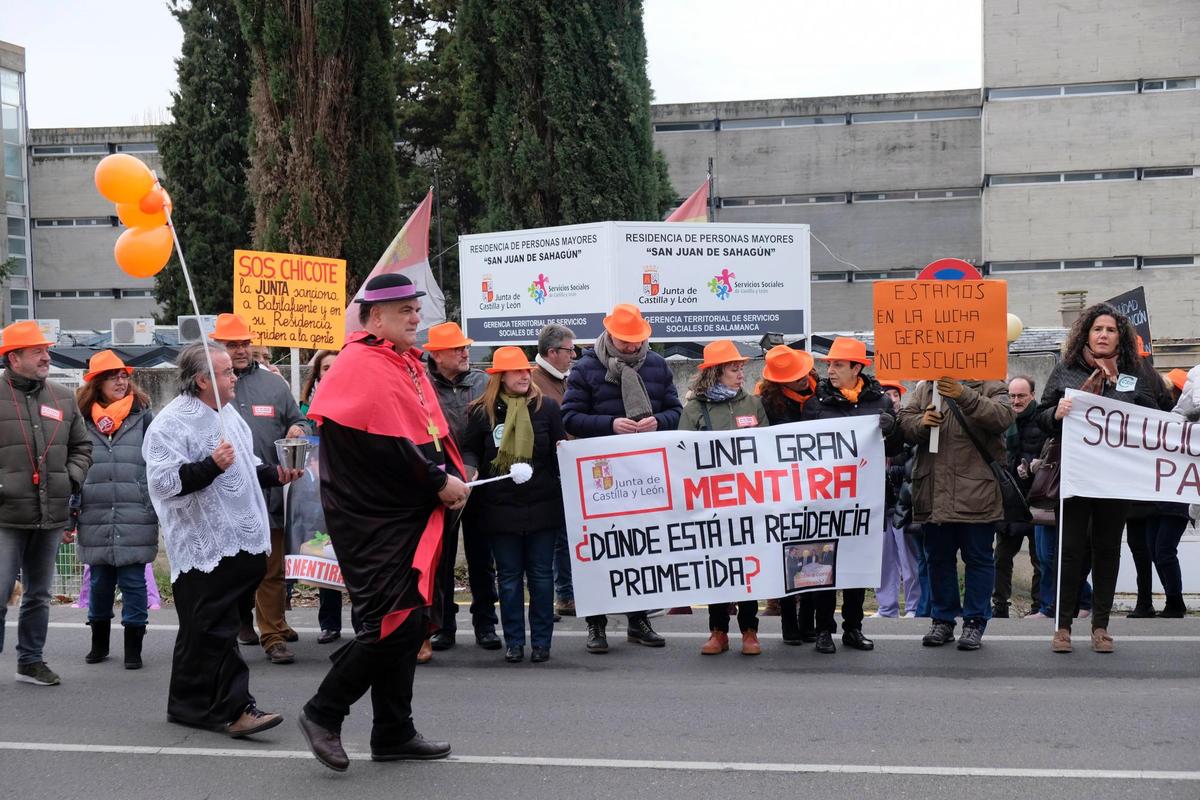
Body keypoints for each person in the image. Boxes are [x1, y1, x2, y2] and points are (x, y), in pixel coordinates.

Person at [298, 273, 465, 772]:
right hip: (372, 520)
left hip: (401, 512)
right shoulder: (360, 363)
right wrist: (438, 481)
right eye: (405, 311)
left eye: (416, 309)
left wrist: (449, 473)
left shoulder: (397, 361)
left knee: (406, 619)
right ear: (374, 317)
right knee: (394, 622)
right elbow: (386, 444)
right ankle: (323, 711)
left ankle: (393, 731)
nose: (417, 318)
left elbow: (422, 434)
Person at [144, 342, 302, 737]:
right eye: (227, 372)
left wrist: (275, 474)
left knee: (201, 630)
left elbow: (246, 466)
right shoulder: (171, 422)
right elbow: (164, 483)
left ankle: (187, 705)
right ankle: (236, 709)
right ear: (202, 380)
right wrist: (210, 467)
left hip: (241, 539)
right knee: (215, 631)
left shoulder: (225, 412)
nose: (235, 377)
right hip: (205, 546)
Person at [1037, 302, 1158, 654]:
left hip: (1113, 478)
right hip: (1075, 474)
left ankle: (1101, 626)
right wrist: (1055, 413)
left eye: (1110, 330)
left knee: (1107, 550)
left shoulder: (1136, 373)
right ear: (1086, 335)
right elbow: (1039, 417)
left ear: (1120, 336)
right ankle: (1062, 627)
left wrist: (1126, 395)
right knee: (1070, 551)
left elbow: (1154, 415)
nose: (1104, 335)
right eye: (1097, 329)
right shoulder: (1065, 371)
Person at [562, 303, 682, 653]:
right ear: (610, 335)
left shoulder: (657, 366)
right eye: (625, 341)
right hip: (601, 475)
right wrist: (610, 425)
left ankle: (637, 619)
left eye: (636, 341)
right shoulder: (586, 367)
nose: (631, 348)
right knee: (599, 549)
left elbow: (676, 412)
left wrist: (659, 420)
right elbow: (569, 417)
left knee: (640, 547)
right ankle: (596, 624)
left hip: (645, 471)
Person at [210, 313, 309, 665]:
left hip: (270, 491)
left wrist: (298, 428)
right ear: (216, 347)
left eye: (243, 343)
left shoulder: (273, 385)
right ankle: (237, 624)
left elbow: (298, 417)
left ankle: (273, 634)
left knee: (272, 569)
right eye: (231, 344)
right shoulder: (208, 386)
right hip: (225, 495)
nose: (239, 350)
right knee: (232, 569)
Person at [461, 346, 567, 663]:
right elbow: (469, 450)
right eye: (516, 371)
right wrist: (469, 468)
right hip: (499, 509)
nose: (524, 375)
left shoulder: (547, 408)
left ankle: (542, 644)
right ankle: (515, 642)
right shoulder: (481, 412)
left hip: (542, 506)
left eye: (526, 370)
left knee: (540, 577)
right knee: (508, 579)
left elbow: (558, 453)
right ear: (500, 376)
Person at [0, 321, 92, 686]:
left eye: (46, 349)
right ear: (13, 357)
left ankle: (31, 661)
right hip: (5, 515)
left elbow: (83, 447)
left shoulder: (63, 396)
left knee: (39, 594)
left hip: (50, 513)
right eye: (37, 351)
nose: (46, 356)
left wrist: (70, 478)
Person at [899, 373, 1014, 652]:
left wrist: (964, 395)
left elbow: (1003, 417)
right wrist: (920, 423)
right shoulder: (925, 387)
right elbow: (904, 422)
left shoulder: (991, 383)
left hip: (976, 492)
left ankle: (974, 621)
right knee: (937, 559)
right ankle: (943, 620)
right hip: (934, 491)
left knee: (978, 558)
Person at [800, 337, 899, 654]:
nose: (830, 370)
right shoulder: (815, 404)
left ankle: (853, 628)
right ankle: (823, 630)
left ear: (858, 368)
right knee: (823, 567)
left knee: (858, 566)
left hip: (865, 500)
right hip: (826, 500)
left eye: (838, 364)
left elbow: (895, 449)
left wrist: (892, 428)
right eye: (829, 364)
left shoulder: (880, 402)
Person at [678, 340, 769, 655]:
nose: (740, 372)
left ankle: (749, 631)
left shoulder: (753, 404)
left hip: (747, 499)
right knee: (717, 567)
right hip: (711, 503)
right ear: (716, 372)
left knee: (746, 567)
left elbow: (768, 448)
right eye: (734, 367)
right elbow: (683, 455)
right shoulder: (693, 409)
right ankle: (718, 631)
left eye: (742, 367)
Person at [75, 351, 158, 669]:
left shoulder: (144, 417)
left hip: (135, 510)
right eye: (113, 376)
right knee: (99, 583)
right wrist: (72, 509)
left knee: (135, 582)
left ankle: (133, 650)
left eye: (124, 375)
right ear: (97, 383)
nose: (121, 381)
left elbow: (158, 460)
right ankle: (99, 645)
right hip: (93, 511)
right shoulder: (81, 420)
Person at [424, 320, 498, 658]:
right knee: (442, 558)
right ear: (437, 355)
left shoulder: (483, 381)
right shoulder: (421, 384)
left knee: (483, 557)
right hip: (438, 483)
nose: (466, 352)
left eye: (465, 347)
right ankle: (443, 625)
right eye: (457, 349)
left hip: (479, 479)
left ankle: (485, 623)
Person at [756, 345, 820, 644]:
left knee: (815, 553)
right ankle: (788, 622)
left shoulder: (822, 394)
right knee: (789, 554)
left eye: (801, 375)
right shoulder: (768, 403)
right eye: (792, 378)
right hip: (784, 488)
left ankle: (810, 621)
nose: (800, 381)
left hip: (820, 486)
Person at [298, 350, 349, 644]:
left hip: (352, 492)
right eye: (324, 368)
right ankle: (329, 623)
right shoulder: (306, 409)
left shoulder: (354, 399)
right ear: (317, 374)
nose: (330, 372)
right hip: (319, 492)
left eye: (335, 367)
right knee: (324, 553)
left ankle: (362, 619)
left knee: (353, 558)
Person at [530, 323, 577, 618]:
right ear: (552, 352)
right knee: (547, 537)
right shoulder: (533, 382)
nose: (573, 356)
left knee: (567, 536)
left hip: (570, 470)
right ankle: (547, 599)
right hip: (544, 473)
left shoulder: (570, 380)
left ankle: (567, 595)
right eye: (569, 350)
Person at [993, 375, 1044, 618]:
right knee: (1001, 557)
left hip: (1036, 499)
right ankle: (1000, 605)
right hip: (1009, 499)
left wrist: (1035, 467)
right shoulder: (1001, 420)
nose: (1016, 400)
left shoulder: (1043, 420)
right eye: (1012, 396)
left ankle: (1038, 606)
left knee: (1039, 559)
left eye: (1021, 395)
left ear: (1032, 395)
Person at [873, 380, 922, 619]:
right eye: (886, 394)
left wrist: (896, 471)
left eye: (895, 394)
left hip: (903, 501)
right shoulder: (871, 425)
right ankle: (887, 607)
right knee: (883, 560)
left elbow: (914, 459)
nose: (892, 398)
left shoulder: (906, 423)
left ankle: (913, 606)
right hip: (881, 502)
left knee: (909, 559)